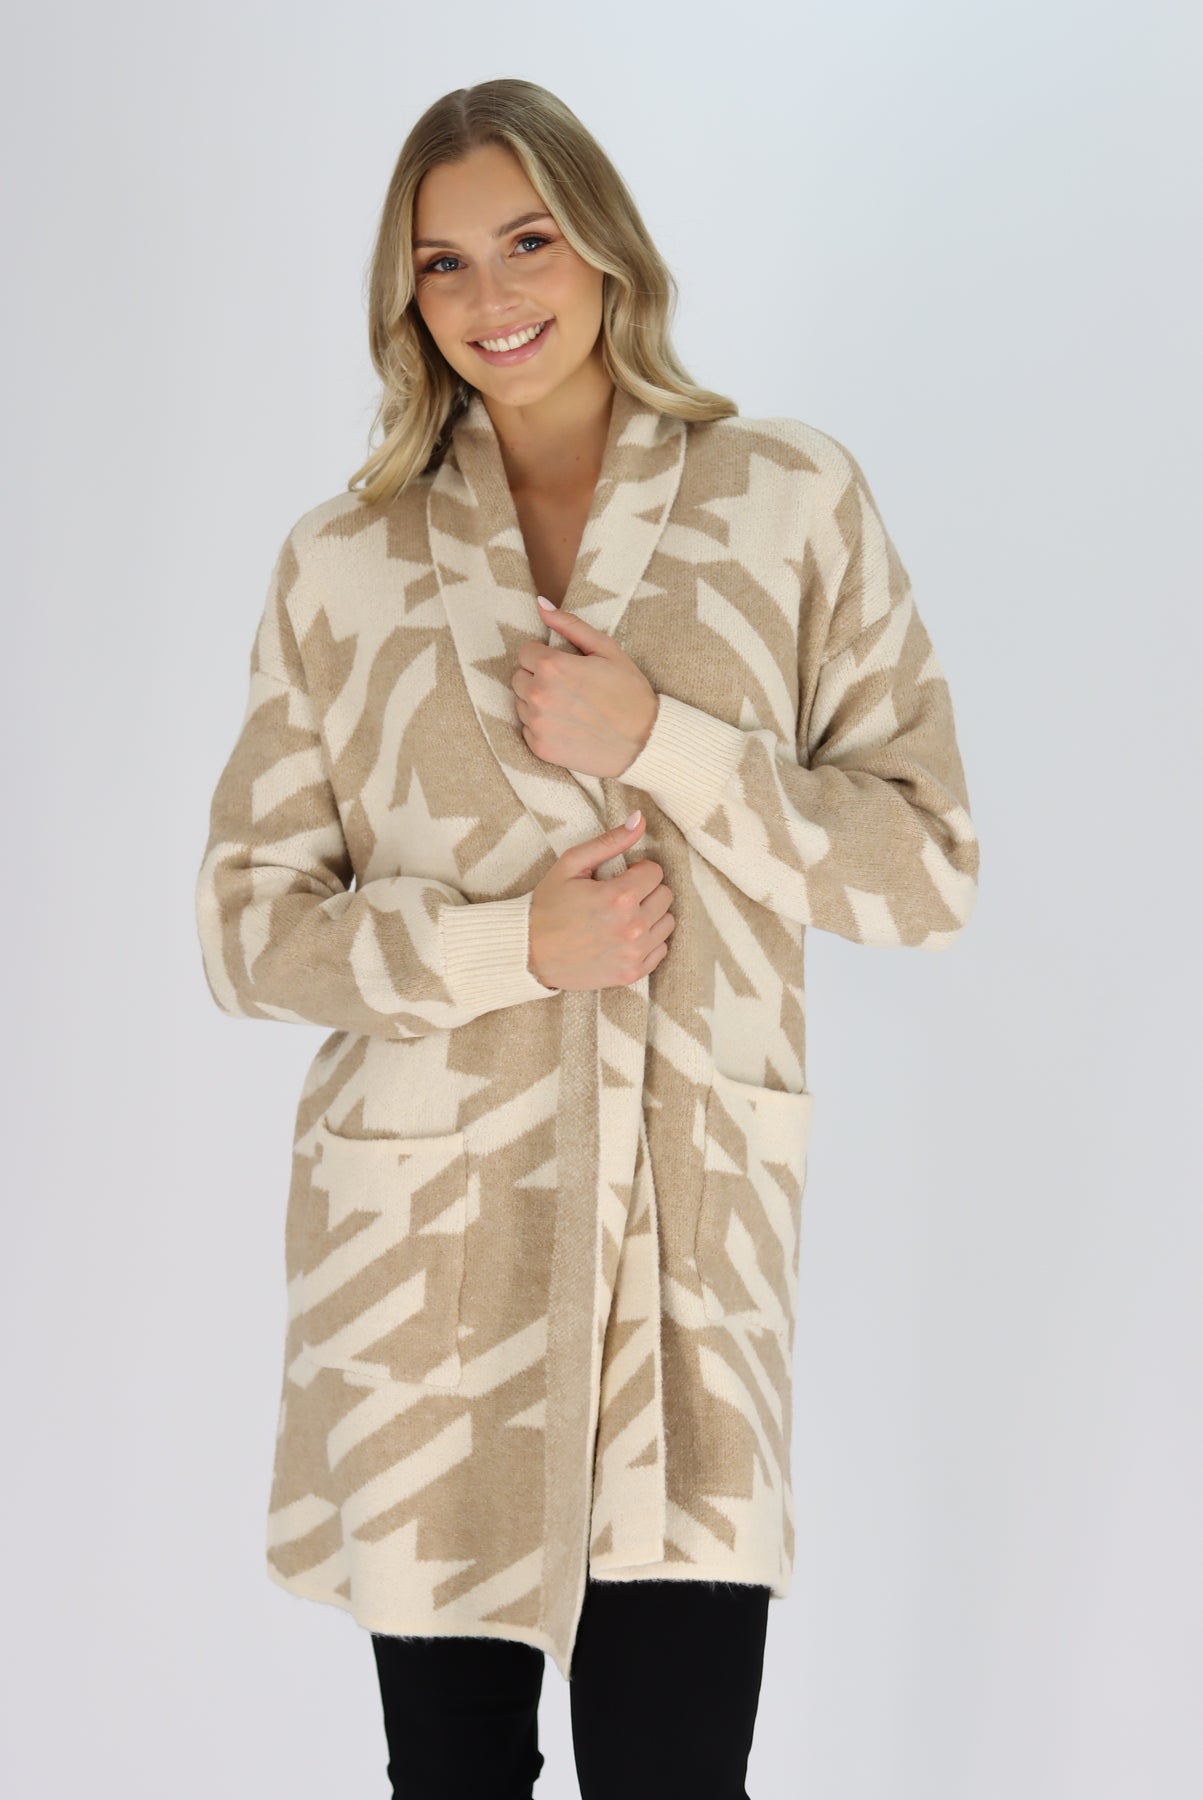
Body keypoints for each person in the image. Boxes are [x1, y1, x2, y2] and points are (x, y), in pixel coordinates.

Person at [194, 77, 980, 1799]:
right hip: (428, 1275)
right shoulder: (342, 563)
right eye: (443, 263)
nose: (493, 296)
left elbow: (927, 872)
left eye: (529, 240)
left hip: (686, 1273)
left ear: (606, 246)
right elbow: (248, 932)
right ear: (406, 297)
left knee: (675, 1775)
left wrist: (666, 743)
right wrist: (512, 952)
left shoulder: (787, 500)